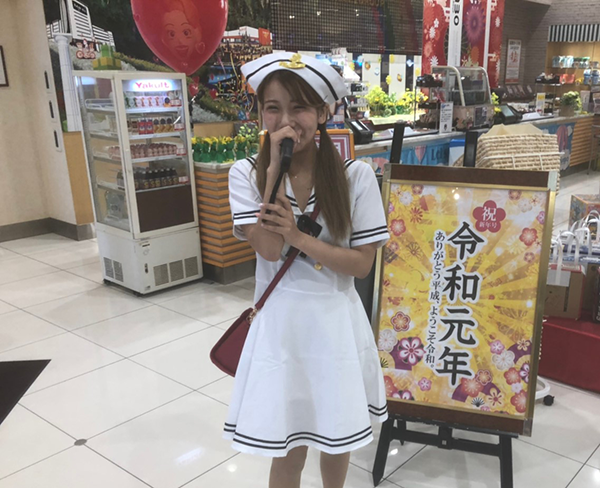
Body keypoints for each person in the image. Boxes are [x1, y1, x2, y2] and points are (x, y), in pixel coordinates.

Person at [226, 52, 390, 488]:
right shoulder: (245, 174)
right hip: (282, 329)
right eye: (273, 108)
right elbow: (268, 250)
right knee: (287, 449)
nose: (286, 120)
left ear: (322, 112)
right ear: (261, 114)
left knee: (337, 443)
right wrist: (273, 172)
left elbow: (361, 265)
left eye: (298, 107)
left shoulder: (355, 177)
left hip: (335, 325)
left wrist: (300, 238)